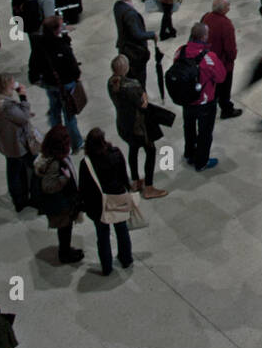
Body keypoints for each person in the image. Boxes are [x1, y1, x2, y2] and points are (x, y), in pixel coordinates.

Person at [107, 55, 167, 199]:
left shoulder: (111, 82)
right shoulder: (132, 85)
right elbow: (142, 104)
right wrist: (145, 96)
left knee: (133, 149)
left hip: (123, 124)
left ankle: (135, 181)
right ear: (126, 68)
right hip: (138, 126)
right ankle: (149, 187)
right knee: (150, 151)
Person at [77, 127, 134, 276]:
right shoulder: (115, 153)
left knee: (102, 236)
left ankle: (107, 267)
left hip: (98, 205)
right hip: (117, 198)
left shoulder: (87, 163)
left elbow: (83, 187)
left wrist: (83, 206)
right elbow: (123, 175)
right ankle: (126, 258)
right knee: (122, 229)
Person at [176, 22, 227, 173]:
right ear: (204, 37)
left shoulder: (181, 51)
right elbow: (221, 77)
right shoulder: (208, 58)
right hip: (204, 102)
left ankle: (189, 154)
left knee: (189, 127)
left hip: (186, 99)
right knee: (205, 133)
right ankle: (201, 161)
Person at [28, 15, 84, 152]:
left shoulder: (39, 44)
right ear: (56, 30)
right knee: (69, 115)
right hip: (65, 84)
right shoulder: (61, 46)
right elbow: (73, 67)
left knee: (54, 112)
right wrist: (76, 77)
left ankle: (57, 142)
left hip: (49, 84)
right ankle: (76, 143)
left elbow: (33, 64)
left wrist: (38, 79)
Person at [0, 72, 37, 212]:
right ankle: (23, 199)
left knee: (14, 168)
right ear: (7, 86)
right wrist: (23, 96)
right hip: (17, 144)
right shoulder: (7, 106)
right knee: (32, 166)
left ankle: (19, 197)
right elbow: (24, 117)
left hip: (6, 142)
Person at [33, 125, 83, 265]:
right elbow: (48, 186)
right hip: (60, 206)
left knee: (66, 229)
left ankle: (65, 250)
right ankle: (65, 253)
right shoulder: (54, 163)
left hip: (64, 202)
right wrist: (64, 179)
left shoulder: (52, 155)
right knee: (65, 229)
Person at [202, 0, 242, 119]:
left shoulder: (206, 17)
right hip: (223, 63)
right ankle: (226, 109)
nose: (229, 8)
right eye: (227, 6)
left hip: (207, 60)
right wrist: (232, 58)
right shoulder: (226, 24)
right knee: (224, 87)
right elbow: (230, 48)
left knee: (212, 86)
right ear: (223, 10)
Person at [114, 0, 156, 88]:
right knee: (138, 78)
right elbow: (136, 34)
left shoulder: (118, 6)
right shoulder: (130, 14)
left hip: (124, 47)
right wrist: (151, 34)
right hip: (133, 52)